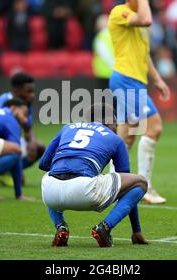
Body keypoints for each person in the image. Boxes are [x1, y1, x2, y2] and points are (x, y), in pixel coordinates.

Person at [40, 103, 149, 248]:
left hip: (50, 193)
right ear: (109, 121)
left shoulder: (67, 127)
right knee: (140, 182)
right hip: (84, 191)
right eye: (116, 123)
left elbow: (43, 164)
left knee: (51, 174)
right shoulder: (115, 139)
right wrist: (136, 230)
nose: (116, 128)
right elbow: (128, 186)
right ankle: (105, 227)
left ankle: (61, 227)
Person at [108, 0, 171, 204]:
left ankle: (110, 185)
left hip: (133, 80)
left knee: (126, 138)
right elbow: (146, 18)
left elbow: (144, 55)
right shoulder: (119, 12)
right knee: (154, 128)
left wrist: (157, 79)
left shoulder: (137, 23)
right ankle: (145, 187)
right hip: (126, 80)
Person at [0, 72, 45, 190]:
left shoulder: (24, 104)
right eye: (29, 91)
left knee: (39, 147)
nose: (32, 95)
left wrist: (31, 141)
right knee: (15, 150)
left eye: (33, 91)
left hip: (7, 140)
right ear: (17, 90)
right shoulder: (3, 105)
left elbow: (27, 127)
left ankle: (4, 173)